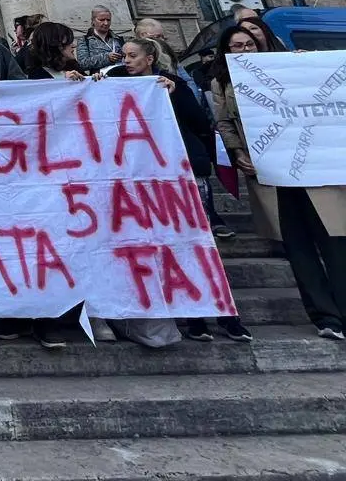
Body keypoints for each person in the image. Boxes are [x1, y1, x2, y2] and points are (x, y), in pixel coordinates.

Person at [105, 37, 252, 344]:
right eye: (125, 56)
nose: (127, 60)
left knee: (197, 244)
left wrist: (173, 95)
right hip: (144, 178)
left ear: (149, 59)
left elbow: (200, 121)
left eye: (133, 56)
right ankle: (195, 319)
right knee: (169, 247)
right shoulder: (114, 81)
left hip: (180, 174)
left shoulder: (170, 85)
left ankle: (227, 316)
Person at [211, 24, 346, 340]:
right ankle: (325, 317)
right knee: (297, 246)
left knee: (335, 242)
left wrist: (304, 64)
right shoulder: (223, 81)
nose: (243, 50)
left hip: (316, 170)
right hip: (269, 172)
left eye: (249, 44)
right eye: (236, 45)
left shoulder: (286, 67)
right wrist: (237, 151)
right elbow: (224, 122)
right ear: (226, 50)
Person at [21, 22, 87, 81]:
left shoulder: (73, 65)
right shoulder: (37, 76)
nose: (74, 45)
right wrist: (63, 81)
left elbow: (88, 85)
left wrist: (94, 79)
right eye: (68, 42)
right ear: (55, 46)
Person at [76, 7, 124, 74]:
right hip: (99, 80)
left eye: (108, 20)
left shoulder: (118, 39)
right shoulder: (84, 40)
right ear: (93, 21)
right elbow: (82, 64)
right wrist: (106, 58)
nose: (106, 23)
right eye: (101, 20)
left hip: (120, 76)